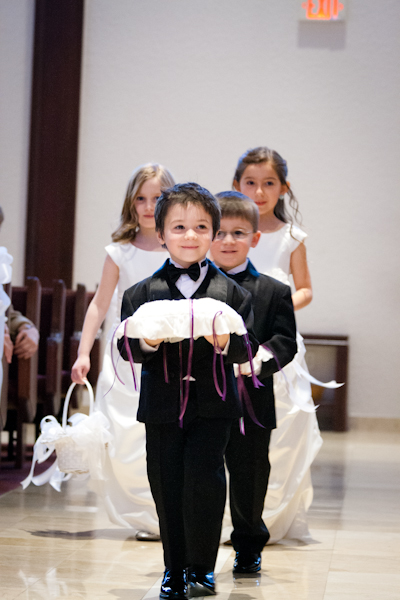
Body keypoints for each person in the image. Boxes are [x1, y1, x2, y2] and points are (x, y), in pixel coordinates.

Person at [118, 183, 258, 599]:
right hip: (162, 405)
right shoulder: (141, 293)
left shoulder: (232, 293)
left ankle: (202, 567)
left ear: (213, 232)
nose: (190, 235)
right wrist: (148, 342)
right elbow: (127, 348)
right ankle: (173, 568)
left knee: (206, 483)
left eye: (201, 226)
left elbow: (246, 348)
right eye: (178, 227)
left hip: (214, 406)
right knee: (166, 484)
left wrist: (226, 342)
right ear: (161, 233)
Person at [71, 163, 174, 539]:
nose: (148, 206)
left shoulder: (179, 246)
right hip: (123, 356)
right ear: (131, 203)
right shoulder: (119, 252)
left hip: (166, 354)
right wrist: (83, 352)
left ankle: (168, 511)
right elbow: (99, 304)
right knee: (125, 435)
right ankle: (144, 516)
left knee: (163, 435)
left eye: (157, 198)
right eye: (140, 198)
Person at [230, 146, 324, 543]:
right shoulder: (226, 234)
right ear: (236, 184)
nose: (259, 191)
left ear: (283, 188)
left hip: (274, 339)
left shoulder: (291, 237)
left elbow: (305, 289)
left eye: (269, 183)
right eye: (250, 182)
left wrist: (277, 303)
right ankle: (230, 516)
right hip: (230, 337)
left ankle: (272, 514)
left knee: (281, 428)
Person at [210, 191, 297, 573]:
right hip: (201, 399)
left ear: (255, 238)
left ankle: (248, 546)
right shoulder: (193, 289)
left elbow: (285, 340)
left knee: (249, 475)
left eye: (238, 233)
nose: (228, 241)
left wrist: (259, 359)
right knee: (203, 475)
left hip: (252, 402)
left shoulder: (275, 291)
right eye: (220, 233)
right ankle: (199, 547)